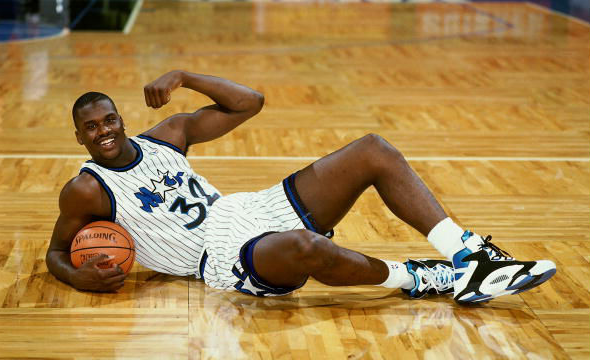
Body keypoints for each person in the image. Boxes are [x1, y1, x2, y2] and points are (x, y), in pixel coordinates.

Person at [46, 70, 556, 303]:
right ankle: (421, 278)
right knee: (305, 248)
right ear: (79, 137)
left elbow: (250, 102)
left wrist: (184, 76)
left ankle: (467, 257)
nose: (105, 131)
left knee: (372, 149)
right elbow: (54, 252)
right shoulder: (86, 190)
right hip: (218, 258)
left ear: (121, 118)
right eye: (92, 128)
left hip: (248, 210)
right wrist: (76, 277)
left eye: (109, 119)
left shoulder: (168, 136)